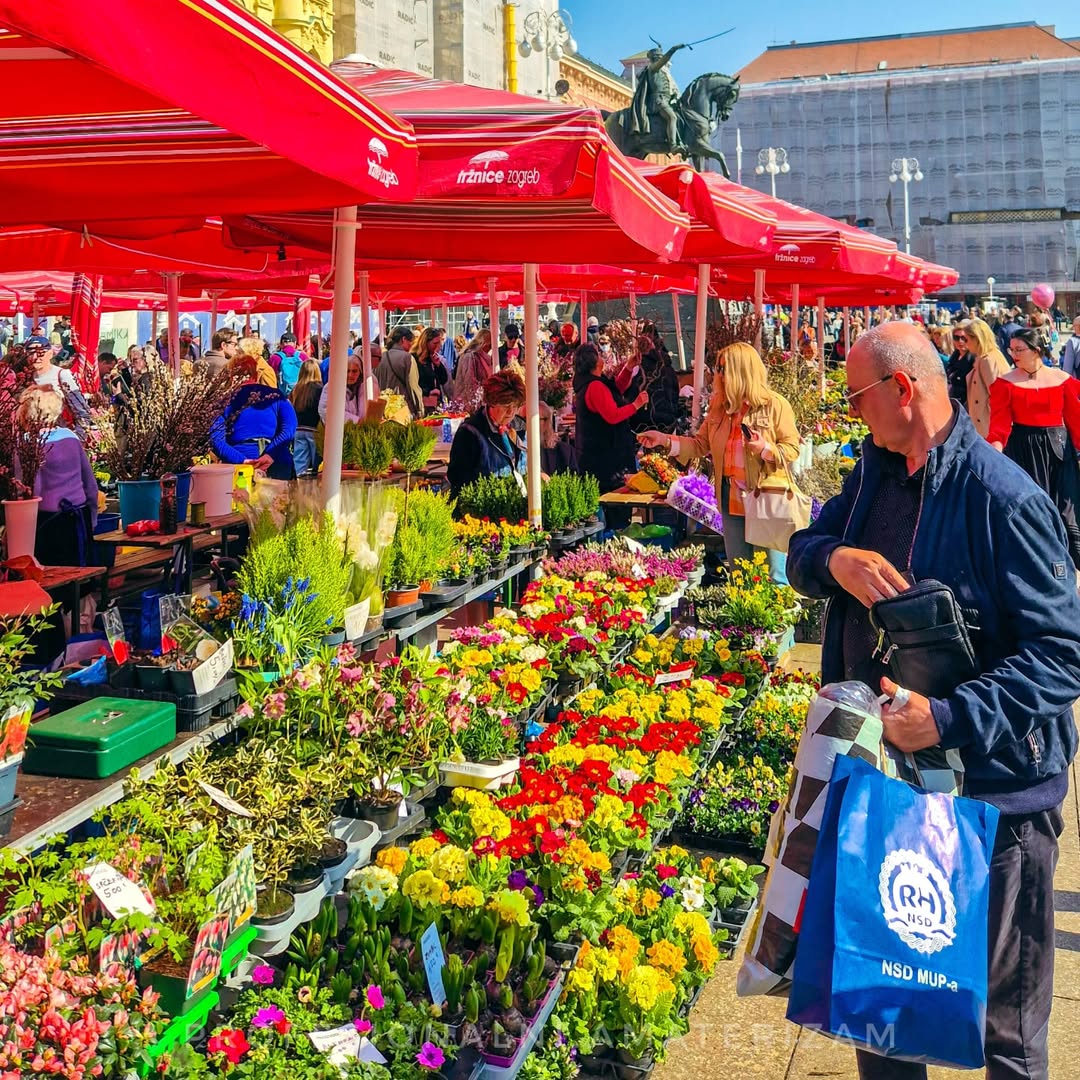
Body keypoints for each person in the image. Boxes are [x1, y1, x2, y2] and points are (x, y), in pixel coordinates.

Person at [787, 321, 1080, 1080]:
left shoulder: (1003, 498)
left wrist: (946, 718)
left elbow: (1061, 656)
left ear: (903, 391)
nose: (854, 413)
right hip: (888, 788)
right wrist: (834, 559)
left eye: (858, 396)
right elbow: (800, 552)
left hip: (998, 803)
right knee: (881, 1015)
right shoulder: (873, 475)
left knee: (1007, 1033)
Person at [638, 341, 800, 583]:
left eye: (722, 368)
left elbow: (792, 449)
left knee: (773, 576)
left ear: (740, 371)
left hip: (766, 498)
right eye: (717, 368)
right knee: (740, 574)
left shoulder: (774, 405)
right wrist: (664, 440)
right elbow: (699, 445)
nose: (717, 374)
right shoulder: (719, 408)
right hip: (730, 499)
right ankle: (746, 621)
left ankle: (779, 620)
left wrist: (765, 449)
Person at [988, 327, 1080, 566]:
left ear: (1036, 350)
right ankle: (1042, 564)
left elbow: (1075, 420)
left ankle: (1072, 565)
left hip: (1059, 450)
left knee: (1067, 508)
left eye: (1019, 349)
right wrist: (994, 453)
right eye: (1011, 349)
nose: (1013, 354)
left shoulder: (1062, 380)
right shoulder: (1005, 384)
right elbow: (999, 425)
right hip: (1023, 451)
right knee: (1034, 509)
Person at [17, 387, 98, 566]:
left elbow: (32, 489)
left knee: (53, 579)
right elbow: (90, 484)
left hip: (47, 522)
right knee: (81, 578)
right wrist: (92, 516)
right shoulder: (71, 437)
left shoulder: (27, 442)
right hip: (78, 515)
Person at [572, 342, 648, 496]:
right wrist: (636, 405)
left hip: (596, 456)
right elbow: (613, 415)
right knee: (614, 504)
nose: (602, 357)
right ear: (594, 362)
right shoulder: (594, 386)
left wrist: (628, 368)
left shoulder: (590, 382)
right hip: (606, 461)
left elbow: (616, 389)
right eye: (598, 354)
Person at [210, 356, 297, 480]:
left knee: (240, 499)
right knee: (281, 499)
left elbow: (216, 441)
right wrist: (270, 454)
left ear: (231, 376)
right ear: (256, 374)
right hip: (277, 459)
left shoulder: (222, 401)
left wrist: (243, 461)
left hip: (237, 463)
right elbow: (289, 429)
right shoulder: (276, 396)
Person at [447, 370, 528, 496]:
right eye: (506, 406)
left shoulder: (520, 426)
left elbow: (527, 462)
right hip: (482, 507)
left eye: (516, 406)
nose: (511, 412)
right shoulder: (470, 433)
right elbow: (458, 478)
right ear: (491, 402)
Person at [962, 318, 1011, 440]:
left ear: (977, 339)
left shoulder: (987, 360)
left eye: (966, 339)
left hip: (988, 427)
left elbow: (997, 396)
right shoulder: (989, 356)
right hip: (985, 424)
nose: (965, 344)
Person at [26, 335, 89, 427]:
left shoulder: (62, 375)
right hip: (32, 436)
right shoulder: (25, 378)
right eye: (31, 353)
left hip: (59, 435)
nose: (35, 357)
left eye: (41, 353)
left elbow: (82, 412)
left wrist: (76, 438)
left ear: (50, 354)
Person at [633, 334, 681, 434]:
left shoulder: (636, 367)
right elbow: (676, 392)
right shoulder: (668, 367)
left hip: (641, 422)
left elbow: (631, 394)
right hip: (667, 421)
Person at [376, 327, 424, 417]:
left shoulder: (380, 357)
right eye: (411, 341)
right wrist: (420, 410)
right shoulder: (407, 358)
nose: (411, 345)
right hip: (401, 409)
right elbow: (413, 387)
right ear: (403, 339)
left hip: (382, 409)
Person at [318, 354, 376, 426]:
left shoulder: (364, 387)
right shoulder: (332, 387)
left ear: (360, 372)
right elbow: (327, 411)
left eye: (354, 371)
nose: (350, 375)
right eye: (347, 371)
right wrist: (356, 421)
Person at [290, 360, 324, 477]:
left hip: (298, 429)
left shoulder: (296, 389)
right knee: (316, 465)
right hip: (314, 429)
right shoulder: (320, 389)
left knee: (300, 464)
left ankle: (300, 485)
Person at [453, 330, 493, 408]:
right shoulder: (470, 356)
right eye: (489, 346)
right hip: (467, 403)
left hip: (480, 401)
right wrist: (475, 405)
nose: (489, 349)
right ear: (481, 344)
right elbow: (469, 383)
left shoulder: (483, 357)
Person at [412, 327, 450, 409]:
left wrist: (438, 365)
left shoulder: (433, 357)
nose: (438, 346)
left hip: (435, 402)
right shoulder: (414, 358)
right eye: (435, 343)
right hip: (422, 402)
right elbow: (413, 383)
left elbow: (444, 380)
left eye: (439, 343)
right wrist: (428, 392)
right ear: (426, 343)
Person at [945, 322, 974, 407]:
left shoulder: (974, 358)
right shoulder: (955, 355)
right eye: (956, 338)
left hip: (966, 403)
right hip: (953, 400)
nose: (960, 341)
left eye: (964, 338)